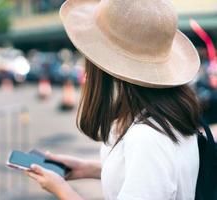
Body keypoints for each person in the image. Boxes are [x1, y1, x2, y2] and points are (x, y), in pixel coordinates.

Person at [24, 0, 201, 199]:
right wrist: (88, 169)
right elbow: (150, 178)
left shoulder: (147, 137)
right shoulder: (167, 116)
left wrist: (61, 189)